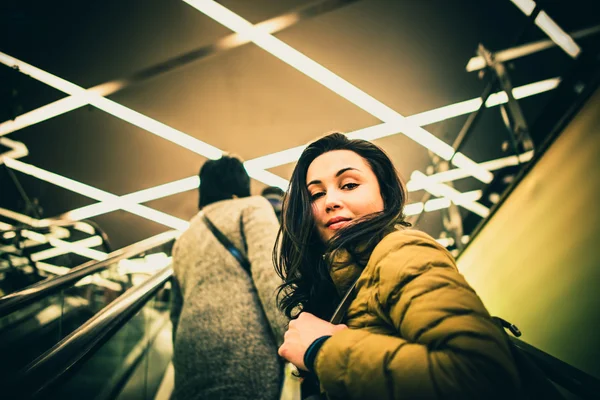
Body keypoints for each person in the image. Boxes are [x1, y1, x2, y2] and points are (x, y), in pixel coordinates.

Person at [274, 133, 521, 399]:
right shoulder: (344, 283)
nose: (329, 201)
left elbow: (483, 376)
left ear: (385, 194)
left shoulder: (401, 248)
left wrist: (323, 350)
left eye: (348, 185)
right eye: (316, 194)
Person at [170, 155, 288, 400]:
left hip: (189, 354)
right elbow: (270, 274)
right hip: (245, 349)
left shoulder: (184, 236)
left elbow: (175, 311)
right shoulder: (251, 207)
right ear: (241, 185)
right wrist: (291, 337)